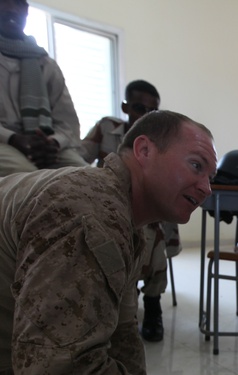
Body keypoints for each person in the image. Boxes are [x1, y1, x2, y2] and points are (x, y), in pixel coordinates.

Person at [0, 110, 217, 373]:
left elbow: (122, 333)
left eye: (210, 177)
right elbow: (57, 366)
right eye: (196, 165)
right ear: (144, 150)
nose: (206, 188)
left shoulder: (125, 219)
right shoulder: (90, 212)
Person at [81, 79, 180, 342]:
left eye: (151, 111)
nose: (144, 115)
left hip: (144, 210)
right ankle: (122, 300)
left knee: (152, 229)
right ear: (126, 106)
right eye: (138, 107)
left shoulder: (161, 143)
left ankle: (152, 302)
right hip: (107, 203)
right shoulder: (107, 128)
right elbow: (78, 156)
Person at [0, 0, 87, 176]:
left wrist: (52, 143)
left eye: (18, 3)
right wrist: (14, 139)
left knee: (88, 177)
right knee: (28, 177)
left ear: (26, 10)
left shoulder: (46, 63)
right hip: (4, 141)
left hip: (44, 144)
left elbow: (67, 123)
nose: (11, 9)